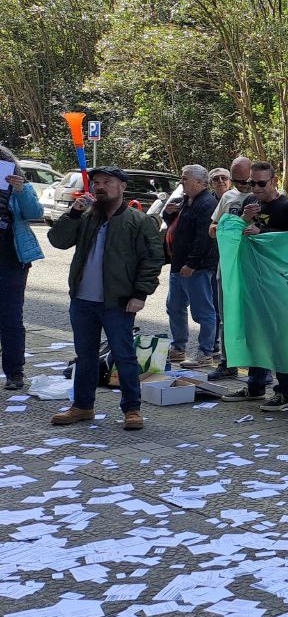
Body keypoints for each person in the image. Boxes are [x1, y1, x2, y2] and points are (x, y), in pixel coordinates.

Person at [47, 166, 164, 431]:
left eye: (107, 182)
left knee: (124, 355)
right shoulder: (86, 216)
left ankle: (132, 409)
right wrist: (73, 212)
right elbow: (57, 241)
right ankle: (82, 406)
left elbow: (152, 259)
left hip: (118, 301)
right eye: (97, 182)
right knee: (85, 355)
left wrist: (140, 294)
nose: (100, 187)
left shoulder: (138, 220)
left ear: (122, 186)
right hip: (83, 300)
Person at [222, 161, 288, 406]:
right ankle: (255, 386)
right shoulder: (250, 203)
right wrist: (243, 219)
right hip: (254, 280)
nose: (255, 188)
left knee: (280, 339)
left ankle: (283, 391)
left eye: (261, 183)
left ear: (274, 181)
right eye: (251, 183)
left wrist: (264, 233)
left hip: (279, 284)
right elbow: (234, 233)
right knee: (255, 335)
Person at [161, 165, 220, 369]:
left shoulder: (207, 203)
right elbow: (178, 228)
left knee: (203, 311)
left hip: (196, 267)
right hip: (178, 264)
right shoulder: (187, 200)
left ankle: (206, 352)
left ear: (200, 182)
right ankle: (178, 348)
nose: (181, 182)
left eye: (185, 178)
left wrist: (192, 263)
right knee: (174, 307)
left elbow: (204, 238)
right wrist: (168, 214)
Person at [0, 144, 44, 391]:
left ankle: (15, 372)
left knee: (10, 316)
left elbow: (35, 213)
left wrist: (20, 190)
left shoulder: (19, 187)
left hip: (10, 256)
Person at [207, 156, 253, 382]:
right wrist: (229, 227)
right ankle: (227, 362)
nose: (242, 186)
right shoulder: (228, 197)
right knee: (226, 314)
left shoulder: (263, 196)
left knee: (254, 317)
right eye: (237, 181)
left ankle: (258, 368)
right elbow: (212, 228)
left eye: (246, 181)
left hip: (254, 265)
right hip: (228, 263)